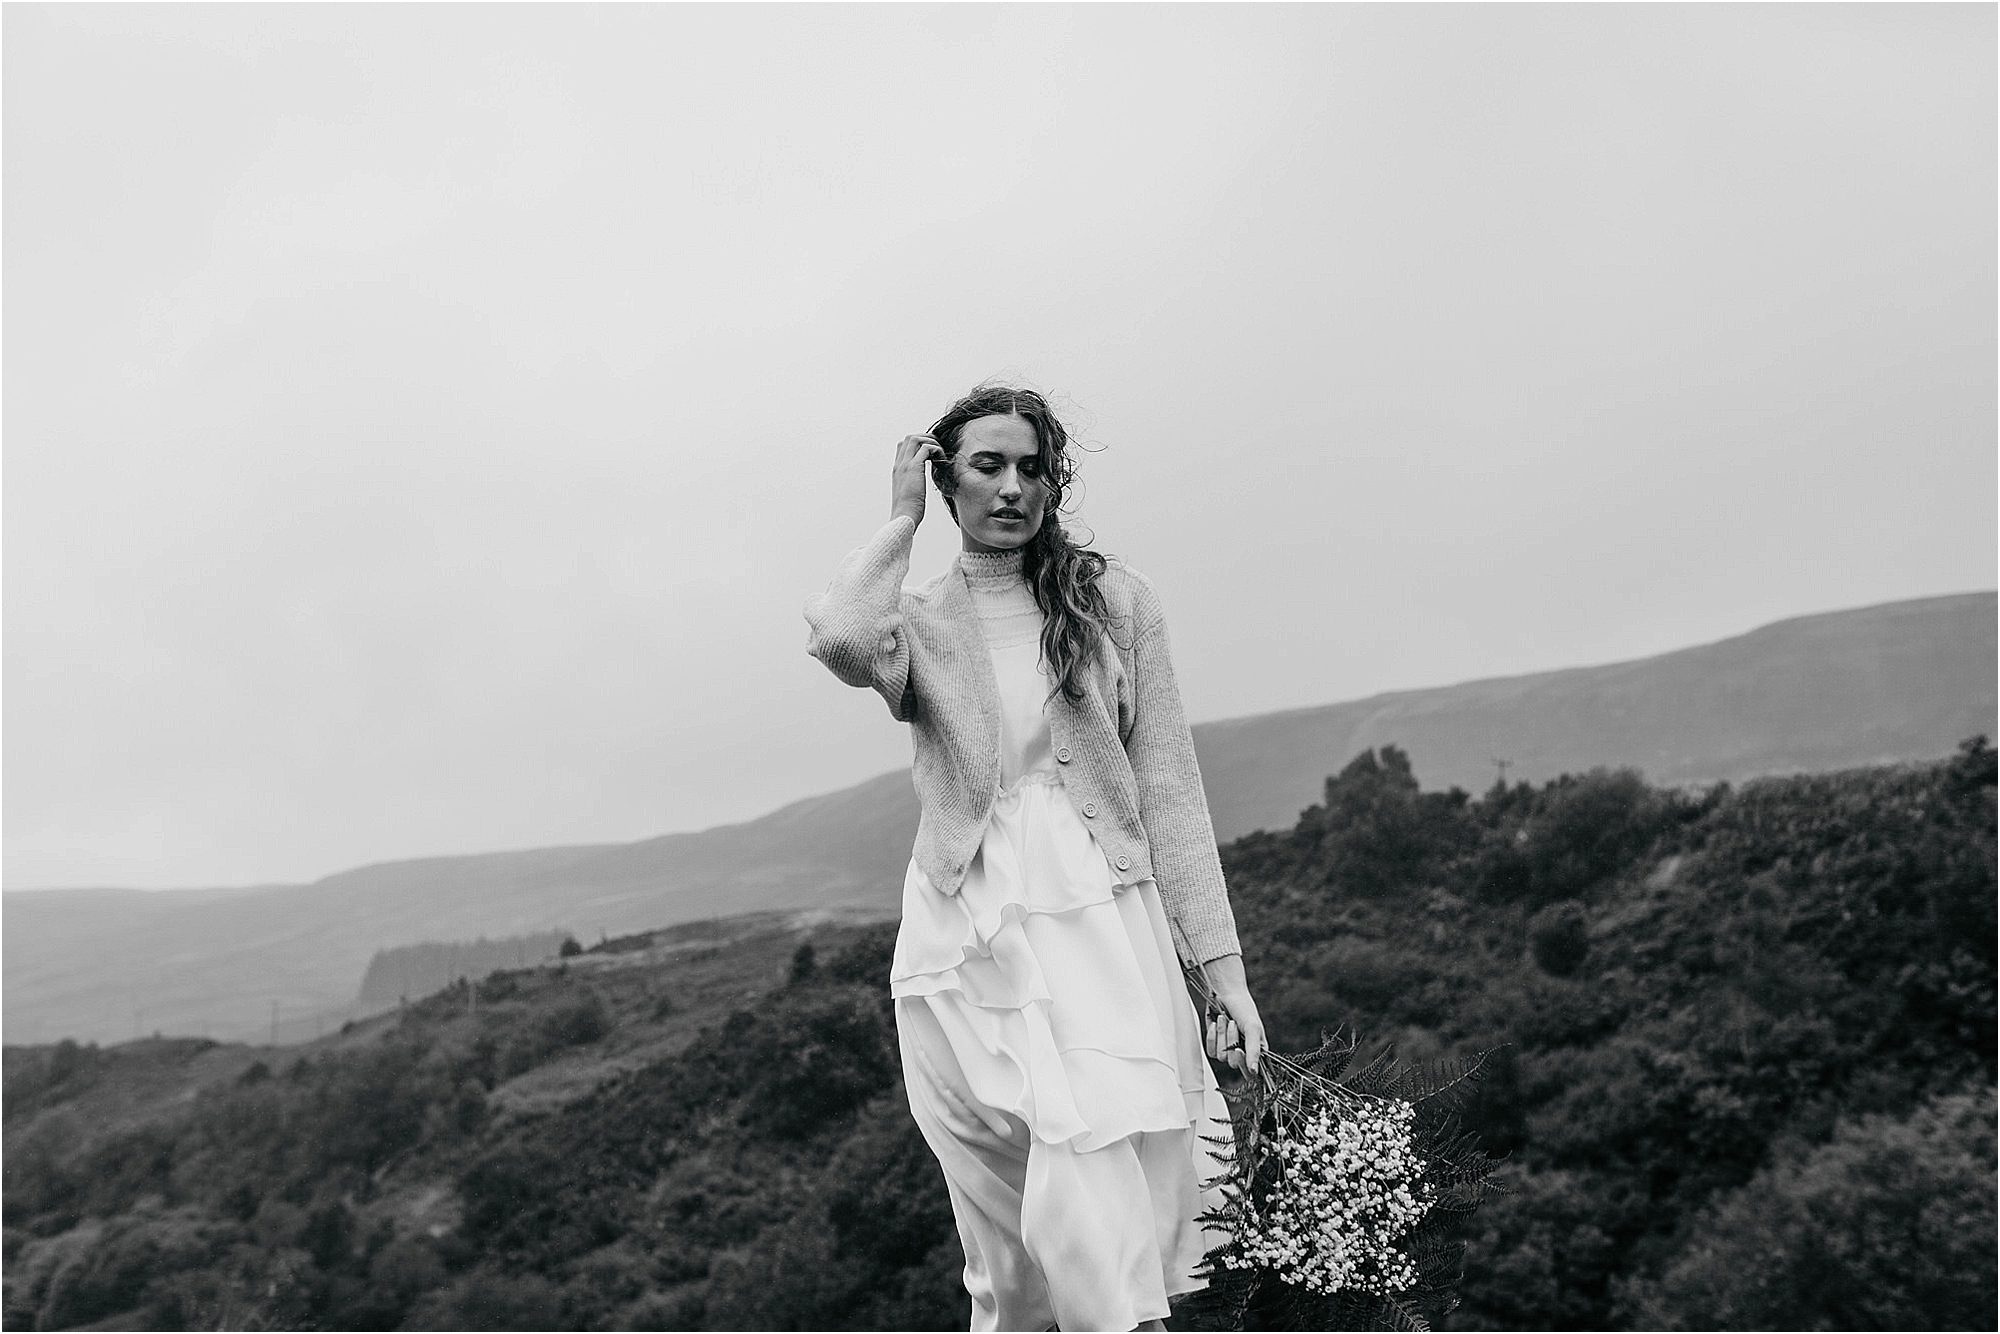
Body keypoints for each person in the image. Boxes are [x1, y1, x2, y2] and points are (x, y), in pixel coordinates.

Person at [804, 384, 1265, 1332]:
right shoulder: (920, 620)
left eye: (1031, 468)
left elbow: (1171, 790)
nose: (1013, 488)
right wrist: (899, 521)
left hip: (1100, 914)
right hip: (965, 930)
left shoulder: (1117, 604)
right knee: (1005, 1237)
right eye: (987, 465)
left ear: (1054, 483)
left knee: (1099, 1149)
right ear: (948, 478)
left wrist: (1224, 974)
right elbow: (844, 635)